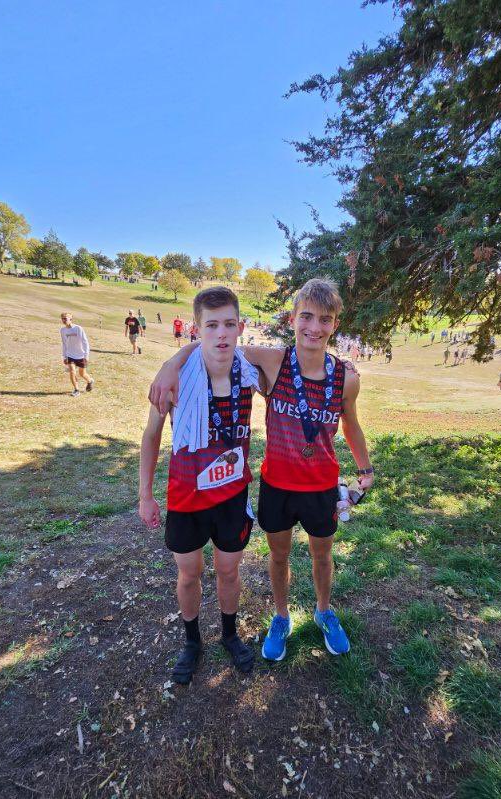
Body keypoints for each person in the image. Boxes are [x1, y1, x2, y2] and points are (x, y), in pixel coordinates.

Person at [149, 278, 374, 662]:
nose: (314, 328)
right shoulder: (273, 361)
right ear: (292, 319)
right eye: (306, 317)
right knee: (279, 555)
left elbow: (350, 423)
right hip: (277, 484)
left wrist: (365, 468)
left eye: (325, 319)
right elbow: (216, 340)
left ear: (335, 324)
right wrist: (171, 364)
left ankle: (323, 611)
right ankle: (281, 617)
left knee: (322, 554)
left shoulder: (345, 377)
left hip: (321, 485)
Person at [139, 287, 260, 685]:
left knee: (228, 571)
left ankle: (229, 634)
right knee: (189, 574)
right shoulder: (175, 381)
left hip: (231, 496)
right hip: (187, 497)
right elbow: (151, 437)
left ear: (240, 327)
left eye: (229, 324)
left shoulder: (250, 373)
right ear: (197, 329)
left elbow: (298, 355)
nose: (221, 334)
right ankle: (192, 642)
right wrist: (145, 494)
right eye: (211, 325)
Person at [60, 312, 94, 397]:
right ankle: (76, 389)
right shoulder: (63, 330)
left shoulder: (78, 328)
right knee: (72, 370)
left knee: (82, 374)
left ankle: (90, 381)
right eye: (62, 318)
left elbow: (85, 342)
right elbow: (64, 343)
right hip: (70, 355)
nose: (64, 320)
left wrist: (86, 355)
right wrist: (64, 356)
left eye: (65, 318)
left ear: (70, 319)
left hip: (81, 355)